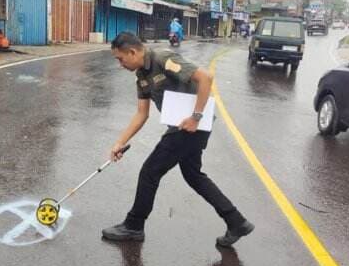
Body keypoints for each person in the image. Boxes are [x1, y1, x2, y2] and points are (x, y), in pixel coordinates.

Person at [102, 32, 254, 247]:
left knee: (150, 171)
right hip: (183, 127)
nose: (120, 64)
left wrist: (196, 117)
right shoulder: (142, 77)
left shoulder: (163, 59)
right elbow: (141, 114)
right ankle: (236, 221)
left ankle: (134, 226)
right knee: (194, 175)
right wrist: (120, 142)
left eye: (120, 58)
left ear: (132, 51)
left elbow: (205, 78)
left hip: (191, 126)